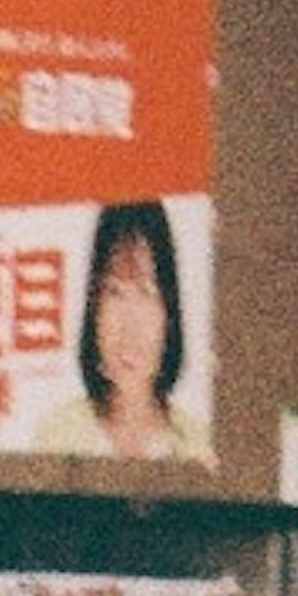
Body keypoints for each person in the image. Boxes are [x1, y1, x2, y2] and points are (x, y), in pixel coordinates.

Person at [31, 198, 196, 461]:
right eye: (114, 292)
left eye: (146, 292)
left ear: (170, 313)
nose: (130, 323)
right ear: (93, 310)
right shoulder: (57, 439)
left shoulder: (196, 447)